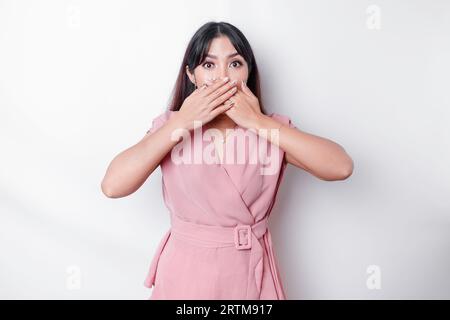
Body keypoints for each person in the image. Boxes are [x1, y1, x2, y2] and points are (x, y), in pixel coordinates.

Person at [101, 21, 354, 300]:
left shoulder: (270, 130)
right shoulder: (170, 128)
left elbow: (341, 167)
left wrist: (256, 121)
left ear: (248, 73)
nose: (222, 76)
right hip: (186, 276)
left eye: (235, 64)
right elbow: (113, 186)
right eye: (209, 65)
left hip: (249, 274)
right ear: (191, 75)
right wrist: (183, 121)